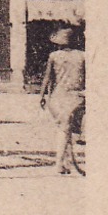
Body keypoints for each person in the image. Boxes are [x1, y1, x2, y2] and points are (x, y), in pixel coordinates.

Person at [38, 24, 86, 175]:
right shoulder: (83, 56)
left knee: (63, 129)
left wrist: (41, 95)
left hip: (58, 97)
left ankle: (61, 163)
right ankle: (63, 163)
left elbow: (47, 77)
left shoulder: (54, 56)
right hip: (76, 96)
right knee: (68, 129)